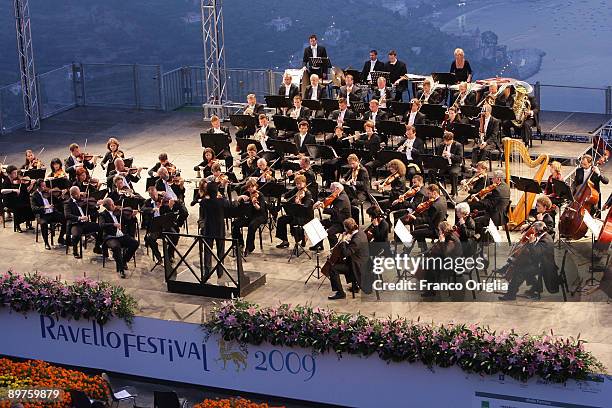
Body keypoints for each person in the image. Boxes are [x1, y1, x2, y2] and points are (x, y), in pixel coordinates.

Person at [499, 221, 558, 301]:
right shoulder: (545, 236)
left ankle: (511, 295)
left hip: (544, 266)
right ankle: (536, 287)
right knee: (522, 265)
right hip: (539, 262)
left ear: (538, 231)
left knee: (519, 271)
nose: (533, 232)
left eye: (534, 230)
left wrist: (531, 243)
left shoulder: (545, 240)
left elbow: (535, 253)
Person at [327, 218, 369, 300]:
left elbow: (346, 253)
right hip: (360, 259)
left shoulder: (357, 239)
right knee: (341, 262)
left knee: (332, 268)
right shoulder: (360, 232)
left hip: (357, 265)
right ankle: (354, 285)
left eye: (345, 228)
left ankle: (340, 293)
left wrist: (343, 241)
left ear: (347, 229)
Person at [99, 197, 140, 278]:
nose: (114, 206)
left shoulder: (119, 212)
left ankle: (124, 261)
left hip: (121, 235)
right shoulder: (102, 214)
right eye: (111, 205)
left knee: (135, 243)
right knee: (116, 247)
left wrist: (133, 216)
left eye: (113, 204)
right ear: (106, 206)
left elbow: (129, 221)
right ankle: (121, 269)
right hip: (110, 237)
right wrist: (113, 224)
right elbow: (101, 225)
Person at [420, 220, 463, 298]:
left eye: (439, 230)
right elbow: (437, 248)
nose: (438, 232)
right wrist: (426, 252)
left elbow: (445, 254)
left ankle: (431, 290)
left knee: (429, 264)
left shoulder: (451, 239)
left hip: (451, 264)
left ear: (443, 231)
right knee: (428, 261)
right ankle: (429, 285)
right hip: (447, 259)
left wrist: (442, 241)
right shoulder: (447, 236)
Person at [199, 182, 231, 278]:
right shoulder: (221, 201)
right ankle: (220, 272)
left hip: (208, 229)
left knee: (208, 251)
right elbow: (229, 204)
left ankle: (207, 271)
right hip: (219, 229)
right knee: (220, 251)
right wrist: (221, 196)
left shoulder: (204, 202)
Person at [404, 184, 448, 252]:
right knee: (417, 228)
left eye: (429, 193)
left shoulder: (435, 205)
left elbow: (428, 220)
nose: (428, 196)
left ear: (434, 193)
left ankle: (406, 252)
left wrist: (415, 218)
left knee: (414, 233)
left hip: (436, 230)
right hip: (439, 225)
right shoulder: (443, 199)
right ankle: (423, 249)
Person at [141, 186, 179, 264]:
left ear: (157, 193)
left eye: (155, 194)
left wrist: (170, 207)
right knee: (150, 239)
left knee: (175, 235)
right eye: (152, 195)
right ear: (150, 195)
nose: (155, 197)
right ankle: (158, 257)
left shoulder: (163, 201)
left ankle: (169, 255)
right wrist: (152, 209)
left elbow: (170, 212)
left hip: (165, 225)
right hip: (155, 227)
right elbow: (143, 209)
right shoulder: (147, 202)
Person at [231, 178, 268, 256]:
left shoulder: (260, 195)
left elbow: (260, 209)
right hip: (249, 215)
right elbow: (238, 205)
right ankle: (239, 244)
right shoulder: (245, 193)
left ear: (256, 186)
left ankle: (249, 247)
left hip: (260, 216)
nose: (250, 188)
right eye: (248, 187)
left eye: (252, 186)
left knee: (252, 226)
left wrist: (255, 204)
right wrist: (240, 197)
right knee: (235, 224)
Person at [276, 174, 314, 249]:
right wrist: (284, 198)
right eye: (297, 184)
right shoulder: (296, 189)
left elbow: (305, 207)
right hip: (295, 214)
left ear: (304, 183)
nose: (298, 185)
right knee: (281, 220)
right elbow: (286, 195)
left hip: (305, 216)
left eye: (300, 183)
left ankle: (301, 239)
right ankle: (285, 241)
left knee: (294, 223)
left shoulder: (308, 194)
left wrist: (299, 202)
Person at [64, 186, 102, 258]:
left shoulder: (83, 201)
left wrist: (96, 205)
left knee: (101, 227)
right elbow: (67, 215)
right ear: (73, 195)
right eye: (78, 194)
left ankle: (97, 247)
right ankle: (75, 251)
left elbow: (92, 209)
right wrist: (79, 218)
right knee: (75, 235)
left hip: (85, 224)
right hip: (75, 224)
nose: (80, 195)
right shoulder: (67, 203)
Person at [312, 182, 351, 250]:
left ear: (337, 189)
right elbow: (329, 198)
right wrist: (320, 202)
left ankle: (335, 250)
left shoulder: (342, 198)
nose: (331, 191)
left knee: (329, 232)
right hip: (335, 219)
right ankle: (319, 245)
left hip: (342, 223)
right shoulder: (338, 194)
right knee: (318, 224)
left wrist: (323, 207)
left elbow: (334, 211)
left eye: (332, 189)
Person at [30, 178, 66, 249]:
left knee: (65, 219)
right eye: (42, 186)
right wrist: (45, 207)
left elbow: (58, 203)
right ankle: (46, 242)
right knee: (44, 224)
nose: (45, 188)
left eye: (45, 185)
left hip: (52, 213)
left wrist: (61, 197)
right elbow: (34, 209)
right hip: (42, 215)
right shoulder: (34, 195)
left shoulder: (48, 193)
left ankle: (61, 238)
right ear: (38, 187)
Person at [1, 165, 35, 232]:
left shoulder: (18, 181)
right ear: (9, 174)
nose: (16, 174)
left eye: (16, 172)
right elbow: (2, 191)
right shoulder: (6, 181)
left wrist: (31, 184)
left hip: (16, 200)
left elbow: (26, 191)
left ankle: (28, 223)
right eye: (14, 173)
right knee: (18, 207)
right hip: (8, 201)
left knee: (27, 203)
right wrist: (13, 190)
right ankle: (17, 225)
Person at [434, 131, 463, 197]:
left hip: (454, 165)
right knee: (432, 172)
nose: (446, 143)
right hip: (444, 165)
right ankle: (436, 192)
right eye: (445, 141)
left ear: (452, 139)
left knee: (453, 173)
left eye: (447, 141)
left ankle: (454, 192)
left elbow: (460, 159)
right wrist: (442, 157)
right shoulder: (441, 145)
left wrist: (450, 155)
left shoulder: (458, 145)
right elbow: (438, 157)